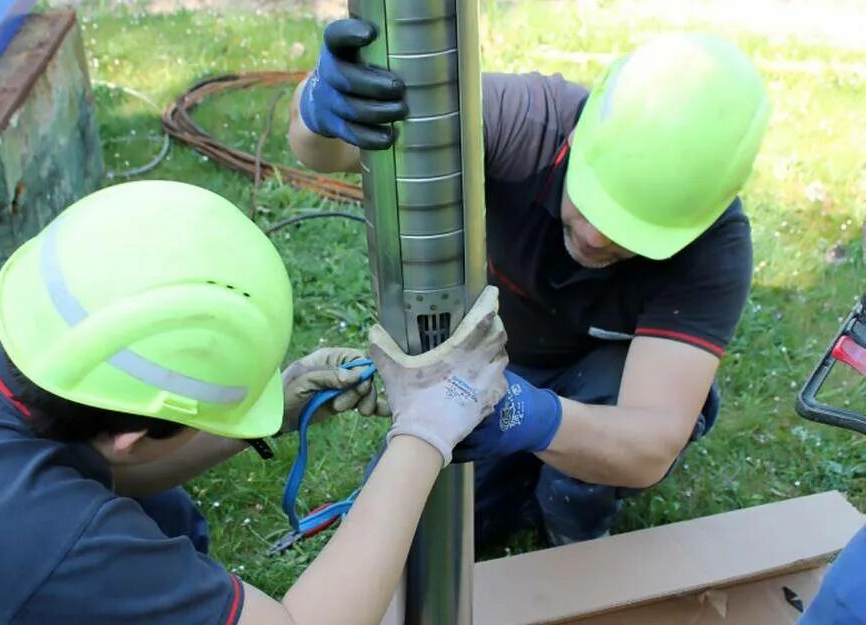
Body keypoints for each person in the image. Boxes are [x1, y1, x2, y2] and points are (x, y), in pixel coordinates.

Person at [0, 180, 509, 625]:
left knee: (165, 513)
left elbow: (101, 456)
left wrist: (275, 406)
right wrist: (425, 427)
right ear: (131, 435)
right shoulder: (61, 542)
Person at [289, 19, 771, 546]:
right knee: (420, 528)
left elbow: (651, 442)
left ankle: (573, 532)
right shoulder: (521, 120)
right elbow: (322, 152)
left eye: (627, 232)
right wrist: (324, 106)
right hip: (496, 356)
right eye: (589, 198)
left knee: (589, 463)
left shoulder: (714, 249)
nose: (591, 236)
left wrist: (530, 416)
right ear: (577, 139)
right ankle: (529, 476)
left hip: (600, 381)